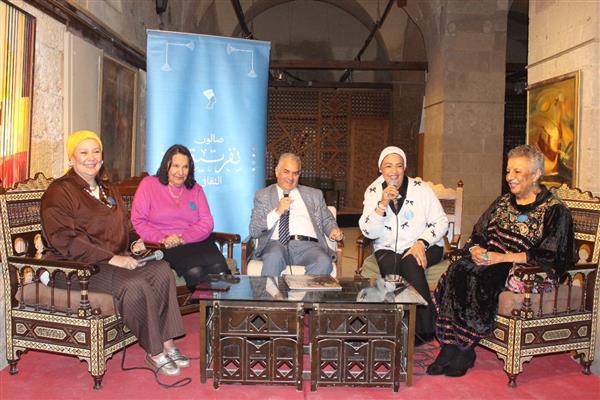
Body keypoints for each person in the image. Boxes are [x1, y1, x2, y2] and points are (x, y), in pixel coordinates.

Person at [41, 131, 189, 377]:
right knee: (134, 283)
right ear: (71, 159)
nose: (91, 158)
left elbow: (126, 225)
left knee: (161, 271)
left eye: (96, 152)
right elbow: (65, 239)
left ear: (102, 157)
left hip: (110, 263)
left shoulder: (107, 189)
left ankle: (168, 343)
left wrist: (134, 242)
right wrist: (113, 259)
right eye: (83, 152)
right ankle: (155, 352)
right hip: (72, 268)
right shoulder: (59, 192)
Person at [427, 144, 575, 378]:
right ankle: (448, 347)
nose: (510, 177)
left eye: (517, 171)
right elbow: (479, 233)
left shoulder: (554, 210)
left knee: (481, 276)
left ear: (535, 174)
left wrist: (501, 258)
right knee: (458, 268)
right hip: (492, 258)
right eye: (508, 171)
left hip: (523, 267)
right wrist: (476, 249)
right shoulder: (503, 202)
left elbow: (549, 254)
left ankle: (465, 350)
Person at [359, 146, 449, 345]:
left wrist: (421, 243)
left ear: (404, 168)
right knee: (392, 271)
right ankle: (398, 328)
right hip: (387, 247)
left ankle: (425, 328)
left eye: (399, 166)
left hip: (426, 244)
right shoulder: (373, 191)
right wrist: (382, 204)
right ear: (380, 169)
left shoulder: (421, 189)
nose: (394, 171)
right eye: (388, 166)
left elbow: (441, 222)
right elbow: (368, 231)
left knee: (409, 262)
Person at [131, 144, 229, 291]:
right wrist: (163, 239)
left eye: (185, 167)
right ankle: (204, 305)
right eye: (176, 166)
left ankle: (216, 305)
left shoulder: (196, 189)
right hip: (165, 244)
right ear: (167, 166)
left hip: (194, 240)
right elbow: (138, 221)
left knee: (219, 267)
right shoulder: (148, 185)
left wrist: (183, 238)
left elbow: (207, 222)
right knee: (195, 271)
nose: (181, 172)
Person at [249, 153, 344, 276]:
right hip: (276, 244)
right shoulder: (263, 195)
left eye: (295, 173)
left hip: (309, 246)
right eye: (286, 172)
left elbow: (327, 219)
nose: (291, 177)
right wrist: (277, 211)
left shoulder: (314, 195)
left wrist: (333, 230)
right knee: (273, 257)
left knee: (324, 262)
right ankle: (271, 290)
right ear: (277, 172)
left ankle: (301, 289)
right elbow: (254, 230)